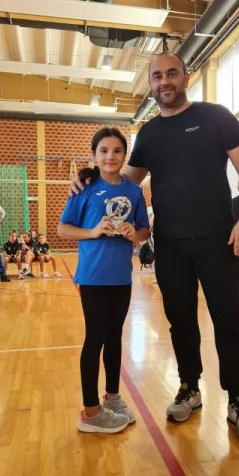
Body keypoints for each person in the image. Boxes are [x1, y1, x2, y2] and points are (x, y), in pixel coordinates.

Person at [71, 52, 239, 441]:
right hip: (170, 244)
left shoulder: (216, 116)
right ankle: (190, 387)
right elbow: (123, 178)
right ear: (151, 84)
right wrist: (88, 177)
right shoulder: (149, 134)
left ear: (186, 77)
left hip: (218, 239)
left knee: (228, 322)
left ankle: (238, 399)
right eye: (157, 76)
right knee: (181, 322)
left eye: (171, 73)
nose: (164, 81)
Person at [59, 127, 150, 434]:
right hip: (93, 276)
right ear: (95, 155)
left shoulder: (134, 191)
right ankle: (90, 412)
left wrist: (134, 234)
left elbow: (144, 231)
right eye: (104, 151)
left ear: (125, 155)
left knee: (114, 337)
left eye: (117, 151)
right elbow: (63, 229)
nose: (111, 156)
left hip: (121, 277)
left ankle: (112, 397)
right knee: (95, 337)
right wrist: (92, 231)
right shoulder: (84, 188)